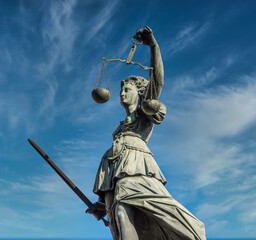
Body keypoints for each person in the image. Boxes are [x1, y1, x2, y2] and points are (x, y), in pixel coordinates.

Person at [86, 27, 206, 240]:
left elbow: (157, 79)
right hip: (115, 171)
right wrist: (102, 205)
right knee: (118, 216)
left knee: (123, 211)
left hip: (137, 167)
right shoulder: (120, 127)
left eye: (127, 89)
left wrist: (153, 46)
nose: (122, 93)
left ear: (140, 93)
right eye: (121, 90)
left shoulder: (145, 112)